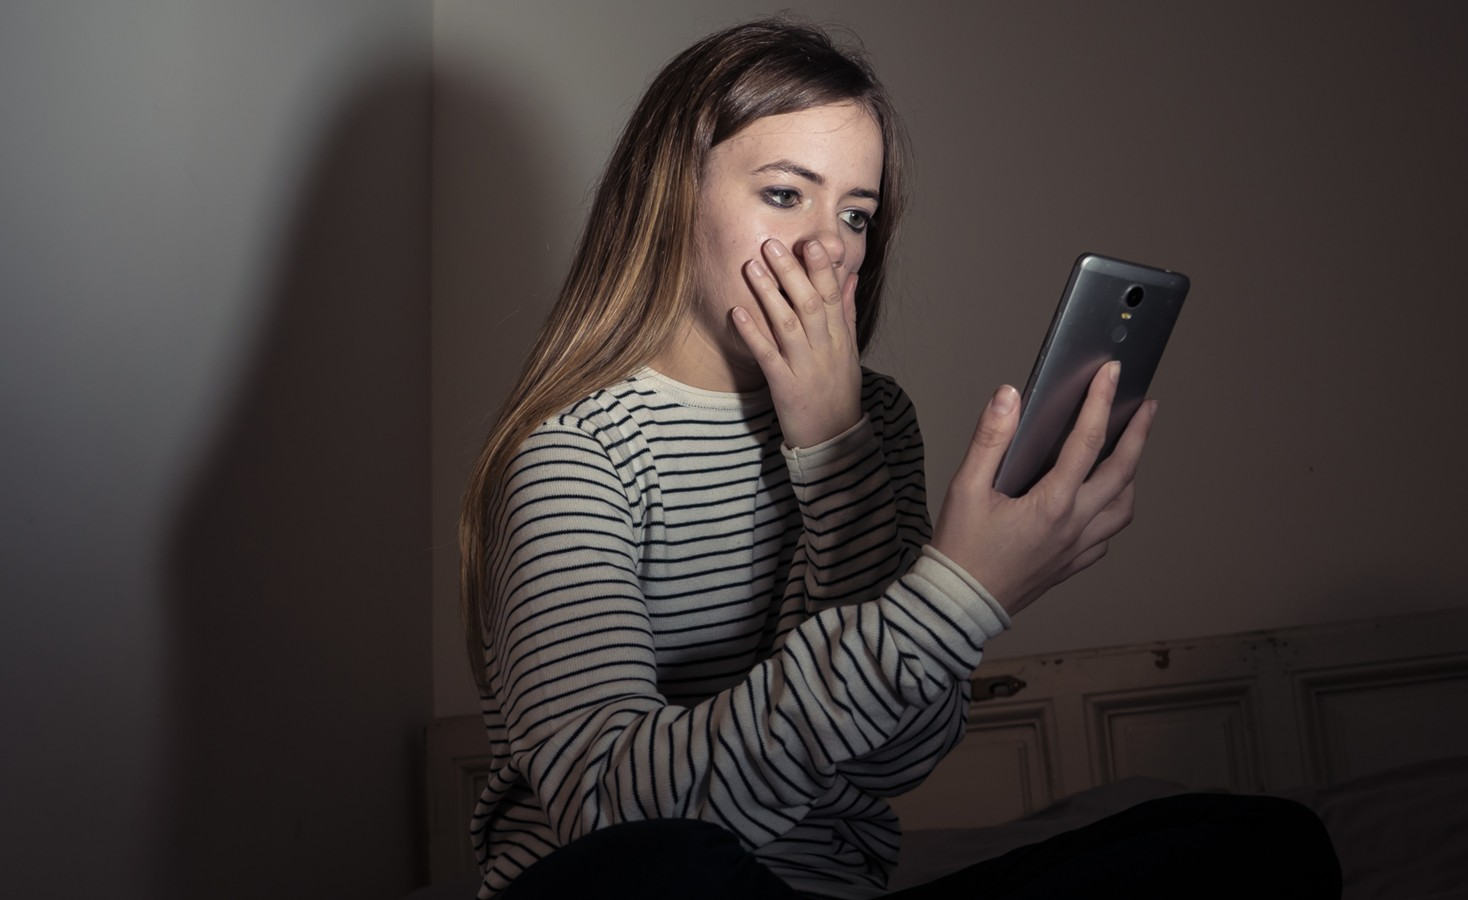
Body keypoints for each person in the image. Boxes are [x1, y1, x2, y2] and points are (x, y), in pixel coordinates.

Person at [459, 18, 1340, 900]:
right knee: (673, 865)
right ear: (670, 198)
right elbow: (612, 820)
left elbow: (892, 760)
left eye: (855, 215)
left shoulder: (875, 420)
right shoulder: (575, 455)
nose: (829, 246)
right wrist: (961, 591)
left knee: (1262, 844)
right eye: (783, 194)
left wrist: (833, 447)